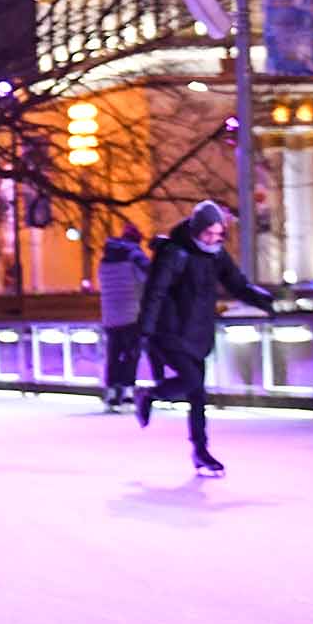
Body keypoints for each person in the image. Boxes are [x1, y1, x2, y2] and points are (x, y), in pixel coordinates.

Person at [133, 200, 277, 477]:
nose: (213, 239)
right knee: (192, 382)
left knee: (198, 394)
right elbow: (155, 293)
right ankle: (149, 394)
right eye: (208, 234)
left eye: (218, 234)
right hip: (170, 332)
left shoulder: (216, 255)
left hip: (198, 333)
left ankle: (200, 451)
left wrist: (262, 301)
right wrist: (145, 330)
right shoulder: (174, 253)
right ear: (196, 230)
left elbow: (237, 283)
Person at [97, 223, 151, 411]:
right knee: (131, 354)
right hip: (131, 314)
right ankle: (127, 392)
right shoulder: (134, 258)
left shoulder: (105, 261)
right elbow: (146, 282)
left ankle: (112, 393)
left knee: (113, 355)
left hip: (110, 316)